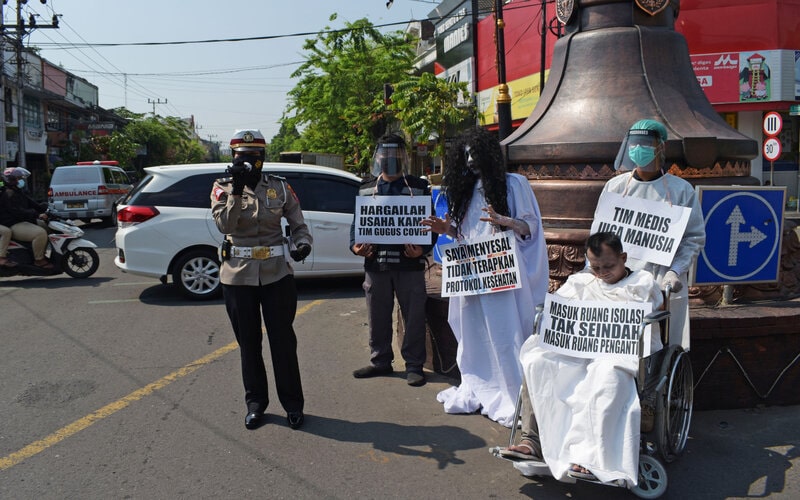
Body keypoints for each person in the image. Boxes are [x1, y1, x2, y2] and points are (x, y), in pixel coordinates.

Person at [501, 232, 664, 486]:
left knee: (605, 374)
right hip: (578, 352)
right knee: (536, 361)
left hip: (616, 353)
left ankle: (591, 457)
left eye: (609, 266)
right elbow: (557, 312)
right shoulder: (582, 282)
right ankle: (532, 440)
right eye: (596, 267)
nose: (603, 273)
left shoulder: (642, 282)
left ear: (623, 258)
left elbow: (653, 312)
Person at [422, 127, 549, 427]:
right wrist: (445, 230)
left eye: (475, 155)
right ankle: (480, 386)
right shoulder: (463, 191)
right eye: (465, 156)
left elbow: (529, 227)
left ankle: (512, 393)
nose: (470, 162)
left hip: (501, 270)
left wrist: (504, 221)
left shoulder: (514, 184)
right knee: (473, 333)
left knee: (505, 333)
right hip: (469, 272)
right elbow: (461, 232)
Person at [211, 129, 312, 430]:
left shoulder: (280, 188)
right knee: (249, 344)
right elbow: (224, 225)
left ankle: (293, 405)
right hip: (238, 277)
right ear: (234, 158)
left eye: (255, 157)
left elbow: (298, 223)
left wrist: (303, 242)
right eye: (243, 157)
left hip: (276, 274)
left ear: (263, 159)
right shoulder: (222, 187)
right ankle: (256, 404)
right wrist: (237, 191)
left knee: (283, 342)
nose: (249, 162)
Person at [597, 118, 705, 348]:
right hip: (619, 278)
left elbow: (693, 238)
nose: (638, 149)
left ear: (660, 147)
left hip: (662, 280)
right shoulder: (615, 187)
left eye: (645, 143)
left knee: (657, 344)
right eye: (634, 144)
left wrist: (675, 271)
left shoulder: (681, 190)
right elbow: (599, 235)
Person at [350, 133, 436, 387]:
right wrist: (356, 247)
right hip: (376, 265)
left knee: (414, 315)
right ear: (377, 157)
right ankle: (380, 361)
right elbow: (356, 225)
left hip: (409, 265)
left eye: (395, 154)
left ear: (404, 157)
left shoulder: (418, 188)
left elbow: (430, 225)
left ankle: (414, 365)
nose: (389, 159)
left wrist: (422, 250)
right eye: (385, 154)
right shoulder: (366, 188)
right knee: (377, 315)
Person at [0, 167, 53, 269]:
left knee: (46, 226)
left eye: (20, 178)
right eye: (17, 178)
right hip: (12, 223)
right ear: (10, 180)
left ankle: (39, 252)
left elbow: (32, 204)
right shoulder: (8, 193)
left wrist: (48, 207)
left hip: (21, 220)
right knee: (40, 233)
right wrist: (37, 215)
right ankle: (39, 260)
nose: (20, 180)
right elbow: (18, 211)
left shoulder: (18, 191)